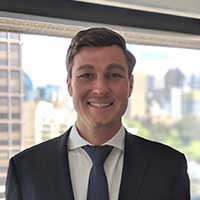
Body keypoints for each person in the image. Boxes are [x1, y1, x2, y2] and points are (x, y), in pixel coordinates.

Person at [6, 27, 190, 200]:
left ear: (130, 85)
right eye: (87, 75)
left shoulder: (169, 166)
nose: (100, 89)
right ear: (70, 85)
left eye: (114, 75)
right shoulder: (25, 169)